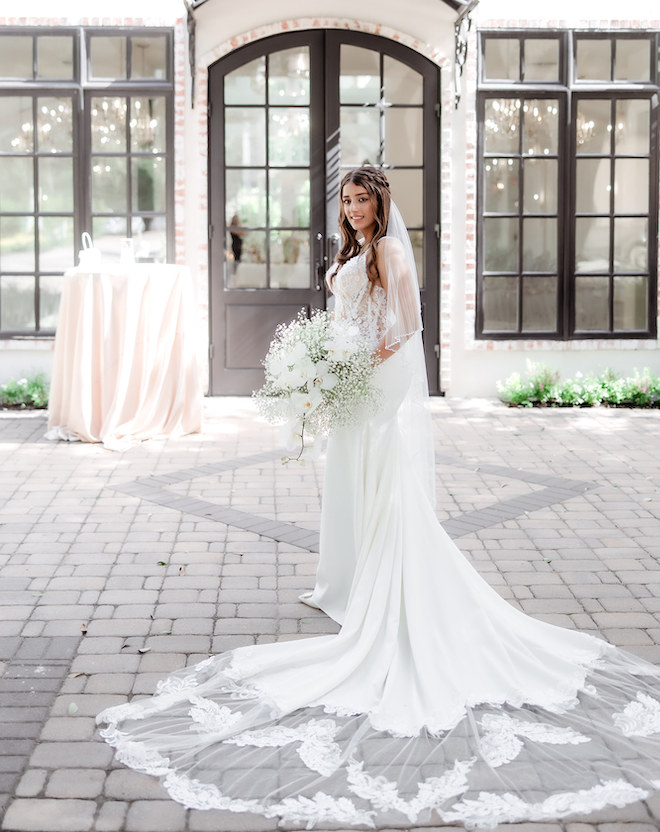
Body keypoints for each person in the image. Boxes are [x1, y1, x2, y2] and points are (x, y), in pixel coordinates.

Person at [98, 167, 660, 830]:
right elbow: (353, 317)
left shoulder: (390, 249)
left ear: (381, 204)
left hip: (376, 389)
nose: (355, 207)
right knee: (352, 486)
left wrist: (356, 368)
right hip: (353, 388)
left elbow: (409, 325)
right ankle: (353, 580)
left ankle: (387, 590)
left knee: (385, 490)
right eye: (347, 198)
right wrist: (328, 365)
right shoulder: (352, 251)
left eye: (364, 198)